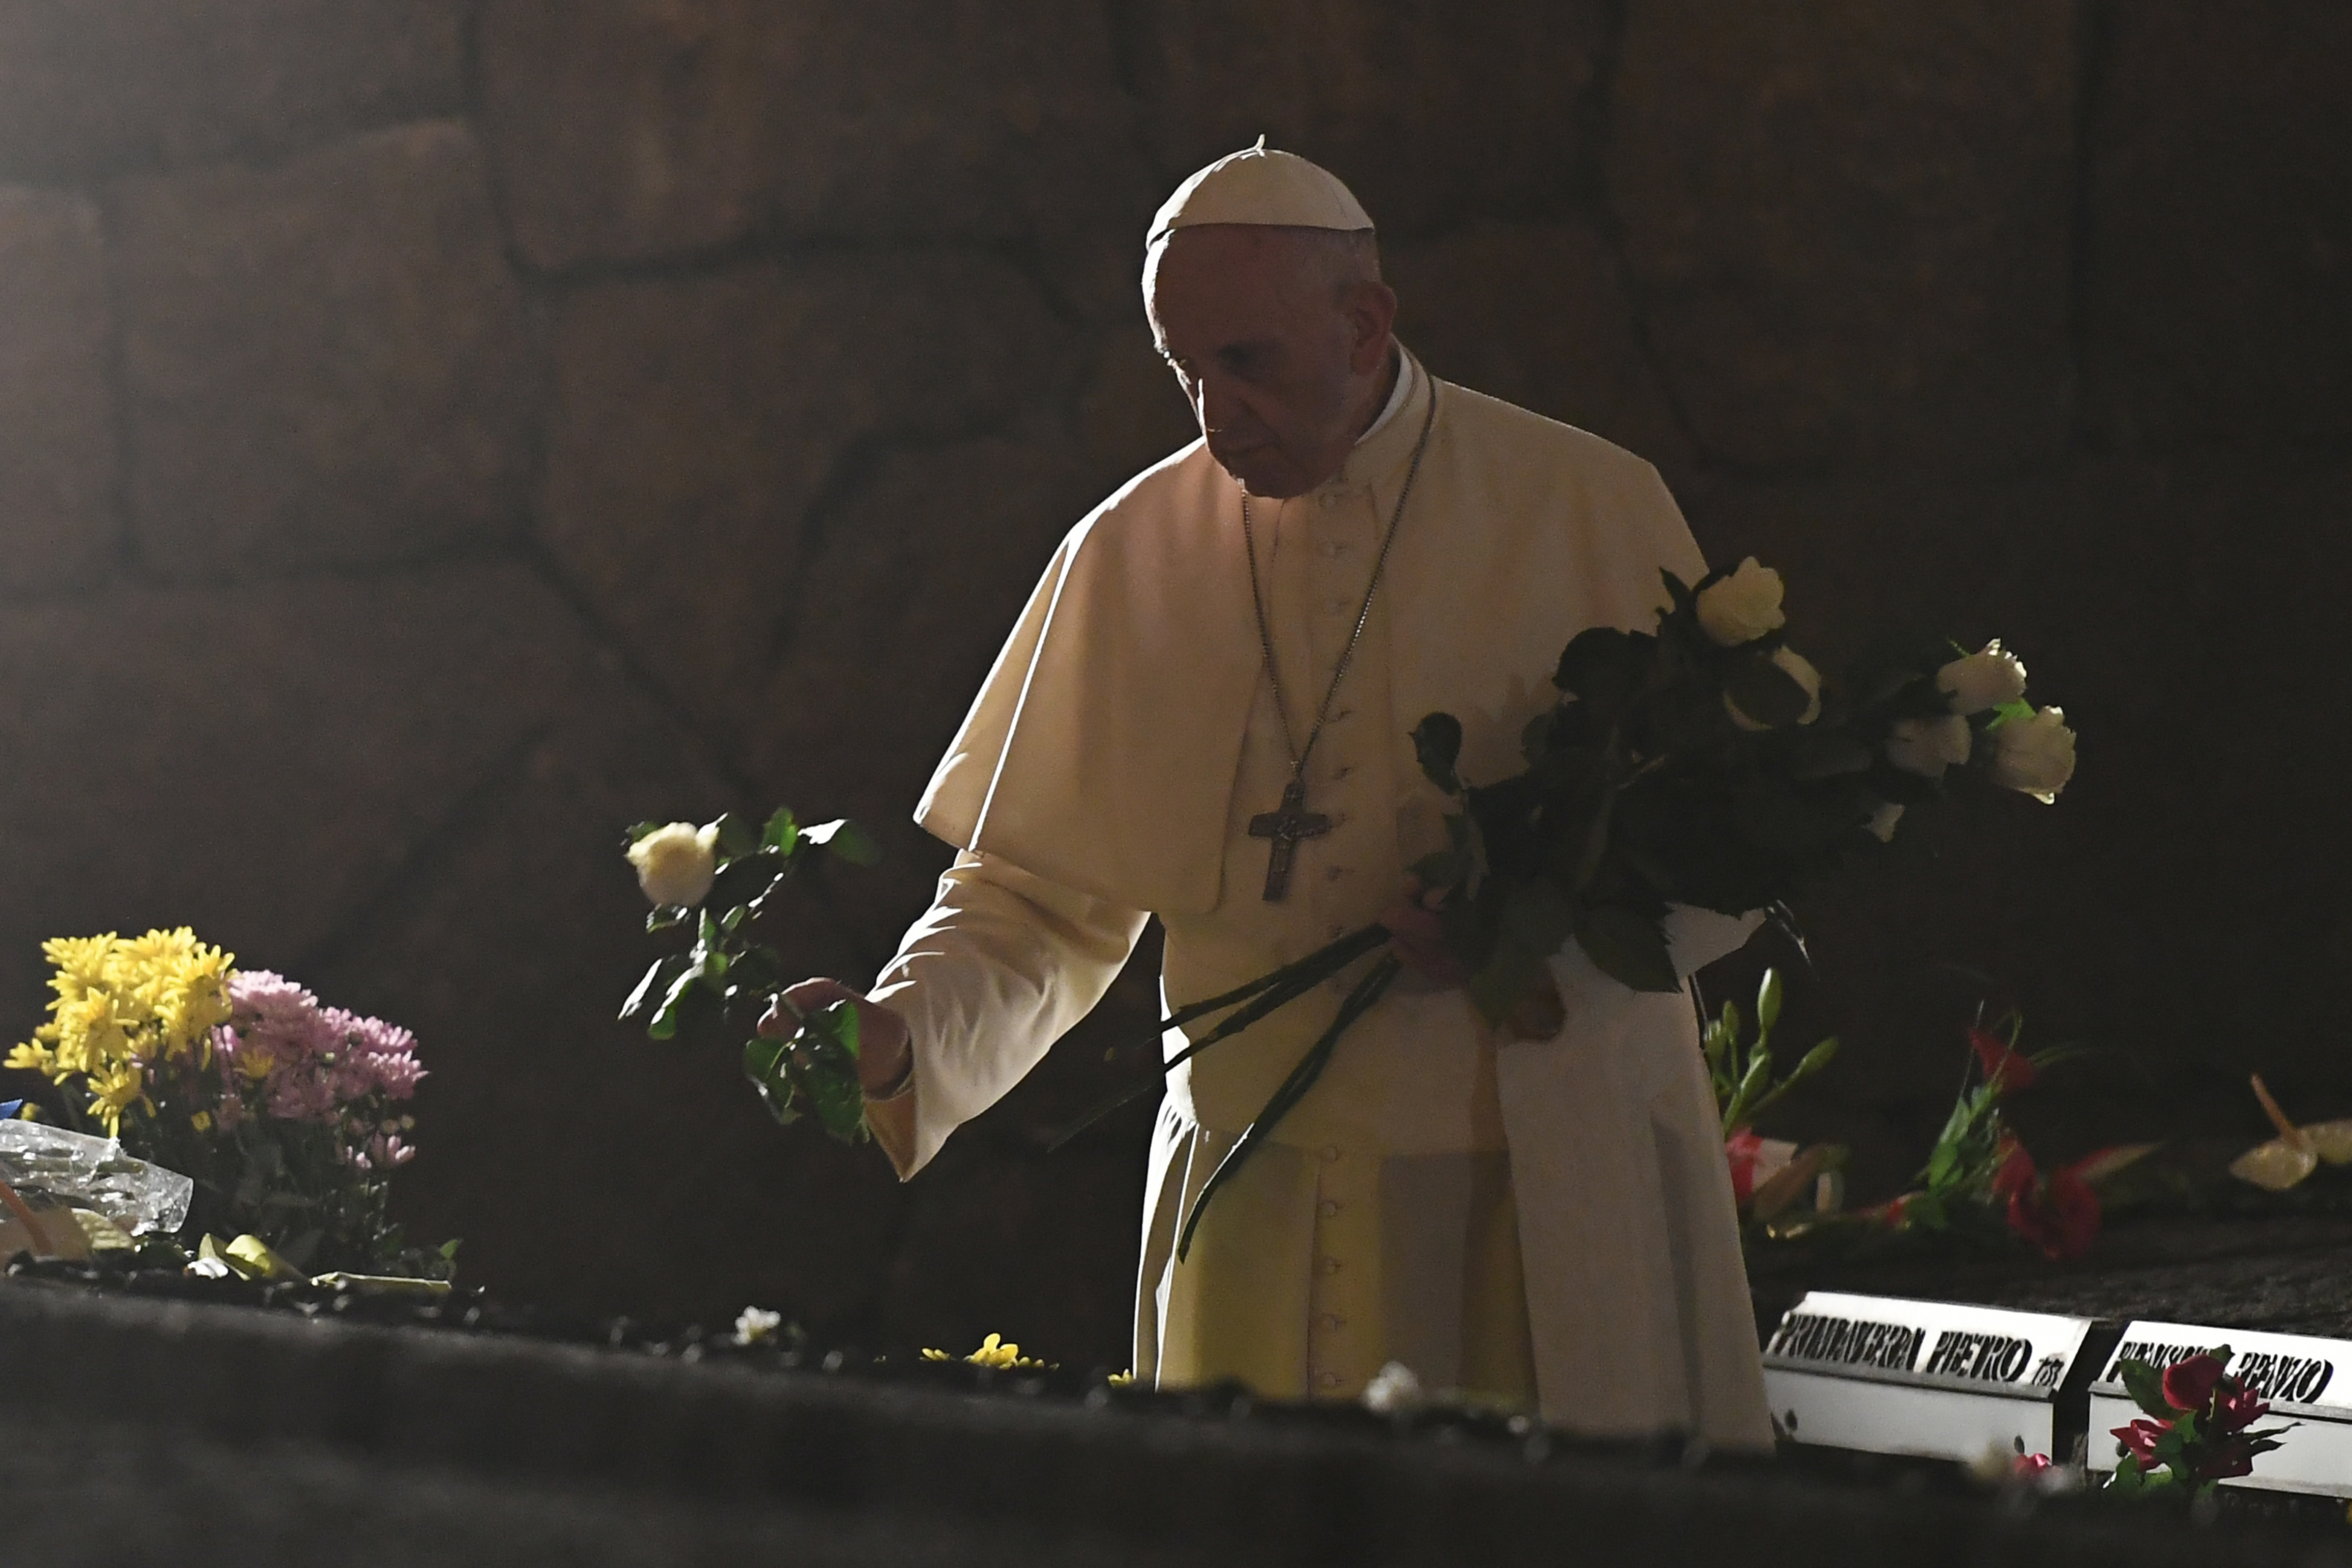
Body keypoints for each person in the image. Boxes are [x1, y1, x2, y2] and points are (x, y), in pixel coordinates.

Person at [769, 143, 1773, 1446]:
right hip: (1255, 1193)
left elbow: (1727, 845)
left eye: (1248, 363)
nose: (1214, 416)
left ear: (1365, 326)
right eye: (1184, 372)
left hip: (1536, 1185)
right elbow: (1036, 899)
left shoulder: (1583, 504)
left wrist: (1536, 926)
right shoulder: (1131, 552)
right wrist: (907, 1032)